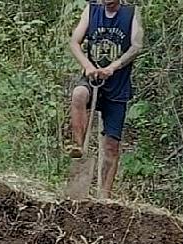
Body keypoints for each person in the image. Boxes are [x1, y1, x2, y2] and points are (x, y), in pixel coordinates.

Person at [68, 0, 144, 199]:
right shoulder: (92, 10)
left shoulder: (131, 13)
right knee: (78, 94)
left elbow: (136, 46)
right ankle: (78, 146)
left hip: (117, 84)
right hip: (92, 77)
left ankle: (104, 197)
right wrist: (87, 65)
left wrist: (114, 66)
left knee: (111, 145)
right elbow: (74, 42)